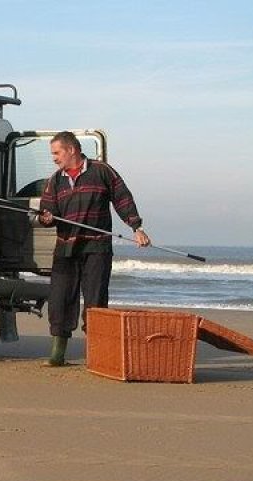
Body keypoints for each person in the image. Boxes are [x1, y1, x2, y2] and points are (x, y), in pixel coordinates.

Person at [38, 131, 151, 366]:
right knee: (59, 299)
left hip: (97, 247)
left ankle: (97, 354)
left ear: (71, 150)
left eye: (56, 153)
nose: (54, 158)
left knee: (95, 301)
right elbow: (48, 212)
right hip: (66, 249)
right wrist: (47, 218)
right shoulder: (55, 180)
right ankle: (58, 355)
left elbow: (123, 199)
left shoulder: (102, 171)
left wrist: (136, 228)